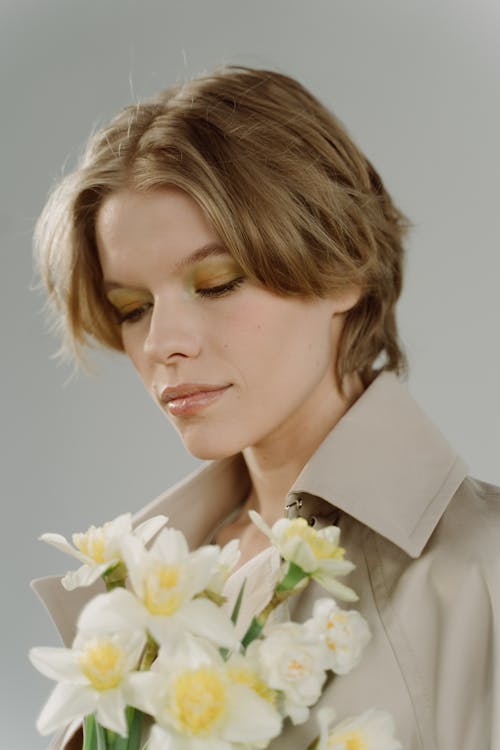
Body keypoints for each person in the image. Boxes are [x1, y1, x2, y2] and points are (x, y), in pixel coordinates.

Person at [32, 66, 500, 750]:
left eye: (216, 284)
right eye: (132, 308)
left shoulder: (480, 572)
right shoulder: (151, 580)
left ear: (343, 269)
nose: (162, 343)